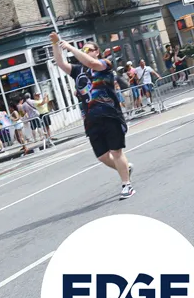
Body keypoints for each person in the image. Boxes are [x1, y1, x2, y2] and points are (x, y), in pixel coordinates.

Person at [50, 35, 134, 200]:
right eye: (84, 49)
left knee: (116, 151)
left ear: (97, 52)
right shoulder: (78, 70)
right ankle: (125, 168)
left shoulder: (104, 64)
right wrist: (55, 44)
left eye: (88, 49)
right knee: (102, 156)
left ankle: (127, 185)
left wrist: (70, 47)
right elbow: (60, 63)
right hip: (91, 119)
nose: (85, 52)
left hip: (109, 114)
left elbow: (91, 63)